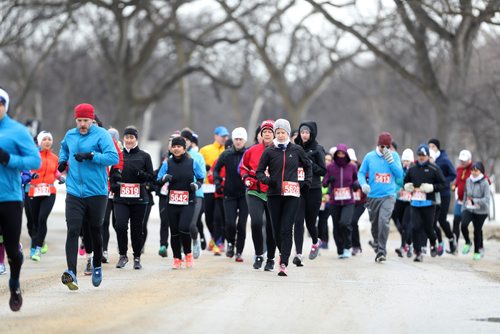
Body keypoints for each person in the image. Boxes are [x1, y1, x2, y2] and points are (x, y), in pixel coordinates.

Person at [58, 103, 119, 290]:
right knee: (73, 229)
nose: (82, 124)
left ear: (92, 119)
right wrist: (62, 161)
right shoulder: (70, 134)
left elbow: (113, 157)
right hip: (75, 191)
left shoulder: (101, 135)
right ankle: (71, 273)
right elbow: (64, 148)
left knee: (95, 230)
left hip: (97, 192)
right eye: (79, 120)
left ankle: (97, 265)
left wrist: (91, 155)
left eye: (85, 120)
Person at [0, 88, 41, 311]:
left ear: (5, 105)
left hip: (9, 198)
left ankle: (14, 283)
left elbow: (35, 161)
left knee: (12, 250)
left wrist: (8, 159)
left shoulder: (16, 131)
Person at [256, 119, 312, 276]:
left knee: (287, 228)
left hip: (292, 194)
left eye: (283, 132)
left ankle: (283, 262)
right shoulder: (269, 151)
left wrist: (306, 183)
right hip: (274, 195)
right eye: (278, 132)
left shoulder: (297, 149)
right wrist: (268, 181)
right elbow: (259, 171)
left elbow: (308, 166)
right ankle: (282, 253)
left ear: (288, 133)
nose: (280, 135)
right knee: (276, 230)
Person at [157, 137, 205, 269]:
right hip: (172, 201)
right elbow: (158, 179)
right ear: (171, 148)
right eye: (174, 146)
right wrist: (164, 178)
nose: (176, 148)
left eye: (179, 146)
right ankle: (177, 258)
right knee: (174, 231)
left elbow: (201, 178)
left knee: (184, 227)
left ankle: (188, 254)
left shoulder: (192, 162)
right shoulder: (168, 163)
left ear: (184, 148)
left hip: (188, 201)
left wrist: (196, 185)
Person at [111, 126, 154, 270]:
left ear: (136, 139)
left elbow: (151, 178)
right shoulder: (118, 155)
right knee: (120, 226)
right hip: (121, 198)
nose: (129, 140)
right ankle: (123, 255)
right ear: (123, 139)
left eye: (132, 137)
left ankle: (137, 256)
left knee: (137, 229)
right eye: (127, 137)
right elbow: (112, 176)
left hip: (139, 199)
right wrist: (114, 186)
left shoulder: (144, 156)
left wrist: (143, 176)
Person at [357, 132, 403, 263]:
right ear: (378, 145)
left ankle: (382, 251)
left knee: (384, 221)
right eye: (382, 146)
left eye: (387, 147)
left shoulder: (394, 156)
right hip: (372, 196)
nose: (385, 149)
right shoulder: (370, 156)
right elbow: (361, 173)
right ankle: (377, 243)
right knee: (375, 225)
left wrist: (391, 161)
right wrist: (363, 184)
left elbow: (399, 174)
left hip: (388, 195)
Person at [240, 120, 277, 271]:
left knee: (271, 227)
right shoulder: (252, 151)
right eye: (265, 132)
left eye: (270, 132)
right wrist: (246, 178)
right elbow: (243, 168)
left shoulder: (280, 151)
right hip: (254, 190)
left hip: (273, 193)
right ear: (260, 135)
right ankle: (259, 254)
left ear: (274, 134)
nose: (267, 134)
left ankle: (270, 259)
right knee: (256, 223)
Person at [403, 144, 447, 262]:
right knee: (415, 227)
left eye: (424, 155)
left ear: (427, 156)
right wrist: (408, 186)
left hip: (429, 203)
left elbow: (443, 184)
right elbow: (405, 181)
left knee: (428, 228)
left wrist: (432, 187)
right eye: (420, 155)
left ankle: (433, 243)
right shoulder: (413, 169)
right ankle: (418, 253)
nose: (421, 157)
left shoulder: (434, 169)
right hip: (415, 203)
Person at [27, 131, 65, 261]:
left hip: (49, 192)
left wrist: (60, 178)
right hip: (34, 192)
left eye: (49, 139)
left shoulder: (54, 158)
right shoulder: (33, 156)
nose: (47, 142)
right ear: (39, 142)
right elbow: (26, 170)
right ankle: (34, 246)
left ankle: (37, 249)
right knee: (34, 221)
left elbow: (56, 172)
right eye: (44, 139)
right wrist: (31, 175)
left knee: (42, 219)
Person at [292, 121, 326, 266]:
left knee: (310, 222)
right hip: (298, 189)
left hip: (313, 189)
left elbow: (323, 171)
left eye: (307, 132)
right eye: (302, 132)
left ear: (311, 134)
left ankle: (315, 241)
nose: (304, 135)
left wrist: (309, 163)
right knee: (298, 221)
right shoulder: (294, 148)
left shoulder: (318, 149)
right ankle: (298, 254)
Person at [214, 128, 248, 262]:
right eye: (236, 139)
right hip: (229, 193)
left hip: (245, 194)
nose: (238, 142)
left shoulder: (248, 153)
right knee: (230, 223)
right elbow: (216, 169)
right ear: (233, 140)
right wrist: (218, 183)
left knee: (242, 225)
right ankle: (230, 244)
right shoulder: (226, 154)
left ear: (245, 140)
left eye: (241, 139)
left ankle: (239, 251)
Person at [323, 144, 358, 259]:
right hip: (335, 202)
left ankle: (348, 247)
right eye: (339, 154)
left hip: (348, 201)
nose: (341, 156)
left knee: (345, 223)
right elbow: (324, 182)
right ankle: (340, 249)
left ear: (346, 154)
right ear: (336, 155)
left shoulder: (352, 167)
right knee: (336, 226)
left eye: (343, 154)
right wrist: (329, 180)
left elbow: (356, 179)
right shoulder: (331, 167)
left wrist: (355, 185)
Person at [199, 126, 229, 253]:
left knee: (219, 216)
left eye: (226, 136)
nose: (224, 138)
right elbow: (199, 166)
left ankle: (219, 240)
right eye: (222, 136)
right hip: (207, 186)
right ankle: (214, 237)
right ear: (215, 136)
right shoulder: (205, 150)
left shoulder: (227, 150)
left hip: (220, 187)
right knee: (208, 216)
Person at [428, 138, 457, 255]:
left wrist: (444, 182)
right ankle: (440, 242)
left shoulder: (444, 160)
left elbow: (453, 174)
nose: (431, 149)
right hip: (433, 193)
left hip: (444, 194)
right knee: (432, 221)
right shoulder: (428, 159)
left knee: (442, 220)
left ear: (438, 148)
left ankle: (451, 238)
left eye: (433, 146)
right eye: (429, 146)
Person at [180, 129, 206, 259]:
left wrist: (193, 184)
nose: (184, 142)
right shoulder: (176, 156)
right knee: (180, 223)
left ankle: (195, 241)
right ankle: (180, 247)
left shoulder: (198, 156)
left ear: (191, 142)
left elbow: (202, 175)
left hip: (196, 193)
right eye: (182, 140)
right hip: (180, 193)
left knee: (191, 224)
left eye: (187, 140)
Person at [461, 162, 490, 260]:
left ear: (481, 171)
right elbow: (466, 195)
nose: (473, 172)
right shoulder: (468, 180)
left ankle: (477, 251)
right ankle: (468, 242)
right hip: (469, 208)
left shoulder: (485, 182)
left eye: (476, 170)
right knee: (463, 224)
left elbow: (486, 199)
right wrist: (464, 207)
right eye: (472, 170)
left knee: (477, 231)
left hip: (481, 211)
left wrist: (475, 200)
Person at [393, 148, 414, 258]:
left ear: (411, 161)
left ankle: (404, 246)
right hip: (400, 199)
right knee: (400, 224)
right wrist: (398, 190)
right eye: (404, 160)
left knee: (407, 224)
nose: (405, 163)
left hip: (410, 201)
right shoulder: (398, 169)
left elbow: (416, 183)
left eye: (407, 161)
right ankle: (409, 243)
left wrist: (409, 188)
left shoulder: (414, 169)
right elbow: (395, 182)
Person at [451, 149, 473, 250]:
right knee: (456, 221)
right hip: (459, 200)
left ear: (469, 160)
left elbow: (484, 179)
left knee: (465, 223)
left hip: (469, 202)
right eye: (461, 160)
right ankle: (455, 245)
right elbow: (458, 180)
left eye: (464, 161)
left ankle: (468, 241)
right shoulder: (459, 169)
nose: (462, 162)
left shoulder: (474, 169)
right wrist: (454, 185)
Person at [347, 148, 366, 255]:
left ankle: (356, 246)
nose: (351, 164)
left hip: (361, 202)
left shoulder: (362, 170)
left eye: (353, 161)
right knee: (348, 222)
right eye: (349, 162)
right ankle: (351, 245)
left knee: (353, 221)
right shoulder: (345, 169)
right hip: (349, 201)